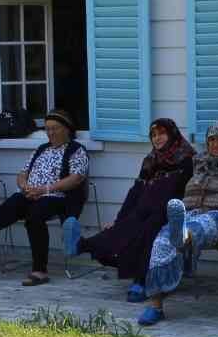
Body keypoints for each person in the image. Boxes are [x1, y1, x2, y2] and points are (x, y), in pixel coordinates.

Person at [136, 120, 218, 325]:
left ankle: (184, 237)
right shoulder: (196, 163)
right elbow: (178, 190)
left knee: (198, 227)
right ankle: (155, 306)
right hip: (189, 213)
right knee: (161, 242)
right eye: (211, 140)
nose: (215, 144)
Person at [64, 117, 195, 301]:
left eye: (162, 134)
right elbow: (135, 192)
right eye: (153, 135)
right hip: (144, 209)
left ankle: (141, 282)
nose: (157, 139)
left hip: (169, 214)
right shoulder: (150, 160)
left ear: (172, 134)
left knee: (147, 232)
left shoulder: (187, 159)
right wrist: (119, 220)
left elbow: (186, 193)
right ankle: (79, 245)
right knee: (121, 230)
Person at [0, 108, 89, 286]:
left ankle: (40, 270)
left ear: (67, 129)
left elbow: (76, 178)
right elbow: (22, 173)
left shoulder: (76, 150)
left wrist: (44, 189)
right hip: (32, 194)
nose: (50, 132)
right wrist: (24, 185)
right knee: (13, 202)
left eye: (55, 128)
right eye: (48, 128)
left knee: (34, 214)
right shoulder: (41, 149)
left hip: (59, 197)